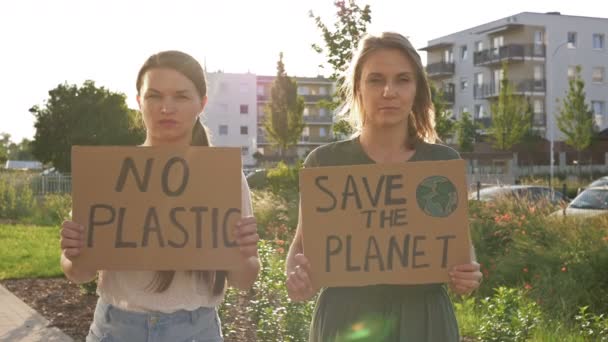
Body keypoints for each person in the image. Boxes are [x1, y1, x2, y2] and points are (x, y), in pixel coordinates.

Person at [285, 32, 483, 342]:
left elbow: (457, 241)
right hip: (345, 319)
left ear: (417, 90)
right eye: (376, 80)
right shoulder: (325, 162)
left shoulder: (442, 162)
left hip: (424, 319)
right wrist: (295, 277)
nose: (389, 91)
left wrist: (467, 271)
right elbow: (302, 244)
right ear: (358, 89)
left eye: (402, 79)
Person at [60, 50, 260, 342]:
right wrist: (74, 254)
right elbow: (78, 273)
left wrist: (243, 254)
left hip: (197, 331)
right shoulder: (108, 173)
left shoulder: (222, 176)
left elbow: (244, 279)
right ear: (139, 101)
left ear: (201, 103)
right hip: (115, 330)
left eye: (180, 96)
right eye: (154, 96)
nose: (167, 108)